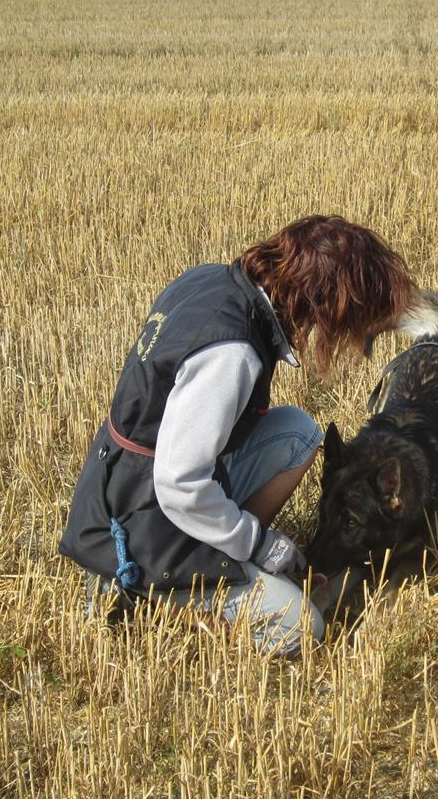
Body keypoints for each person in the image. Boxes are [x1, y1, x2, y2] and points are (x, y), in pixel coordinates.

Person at [58, 215, 416, 656]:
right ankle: (159, 597)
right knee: (302, 627)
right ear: (326, 303)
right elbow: (179, 484)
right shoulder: (232, 354)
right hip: (143, 523)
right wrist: (259, 543)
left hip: (118, 479)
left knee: (298, 434)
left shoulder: (212, 280)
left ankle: (228, 563)